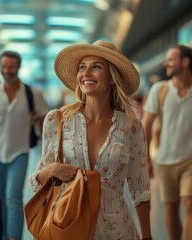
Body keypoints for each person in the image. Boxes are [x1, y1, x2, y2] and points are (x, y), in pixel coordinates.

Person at [27, 40, 152, 240]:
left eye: (96, 67)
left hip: (117, 231)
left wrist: (147, 236)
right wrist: (52, 170)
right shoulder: (57, 120)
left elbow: (141, 190)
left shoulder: (131, 127)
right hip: (68, 227)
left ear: (112, 77)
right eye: (82, 67)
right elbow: (36, 181)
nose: (86, 73)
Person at [141, 45, 192, 240]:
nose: (166, 63)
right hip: (164, 158)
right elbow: (146, 125)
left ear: (185, 62)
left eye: (171, 59)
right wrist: (146, 158)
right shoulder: (159, 90)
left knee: (189, 204)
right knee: (170, 207)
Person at [0, 50, 49, 240]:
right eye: (3, 66)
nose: (7, 70)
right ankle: (2, 235)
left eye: (11, 66)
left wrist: (48, 152)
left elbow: (45, 123)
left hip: (20, 152)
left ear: (18, 67)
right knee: (0, 200)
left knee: (13, 197)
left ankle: (14, 238)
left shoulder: (32, 93)